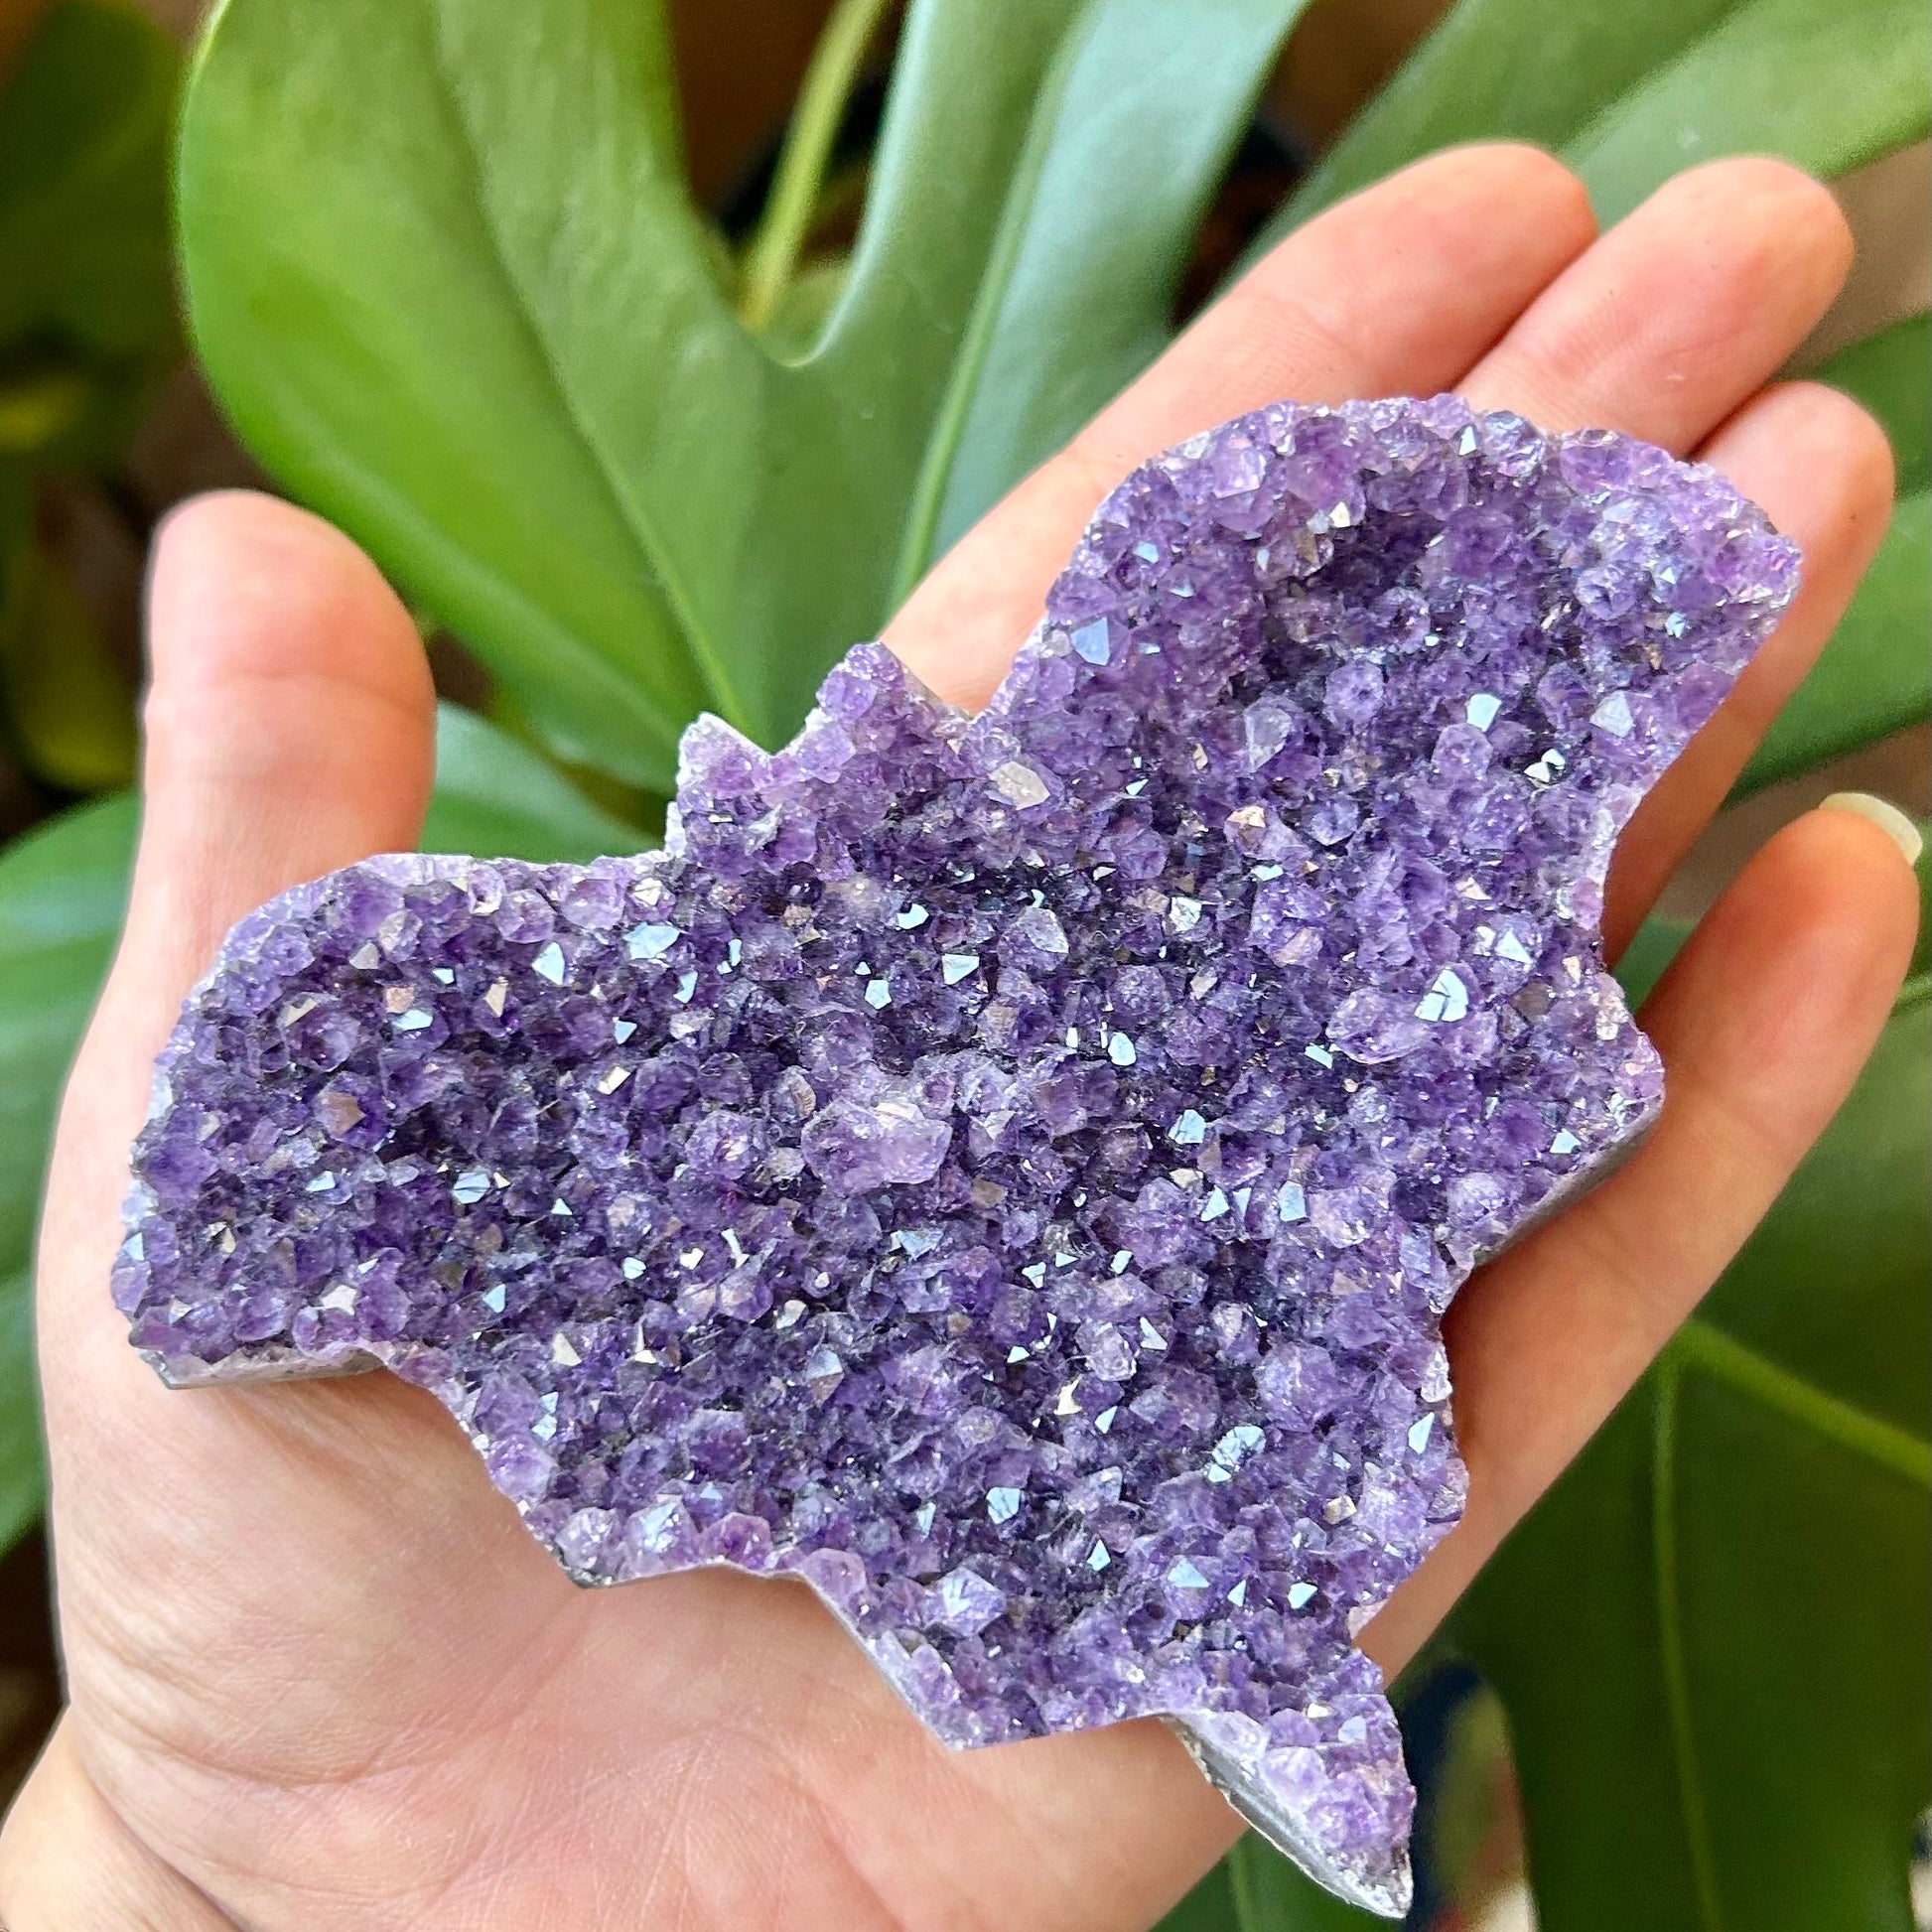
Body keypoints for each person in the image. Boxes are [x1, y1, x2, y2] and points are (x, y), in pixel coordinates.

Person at [0, 145, 1918, 1929]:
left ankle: (1239, 1625)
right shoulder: (535, 1060)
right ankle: (1232, 1626)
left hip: (1234, 1349)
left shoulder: (1277, 710)